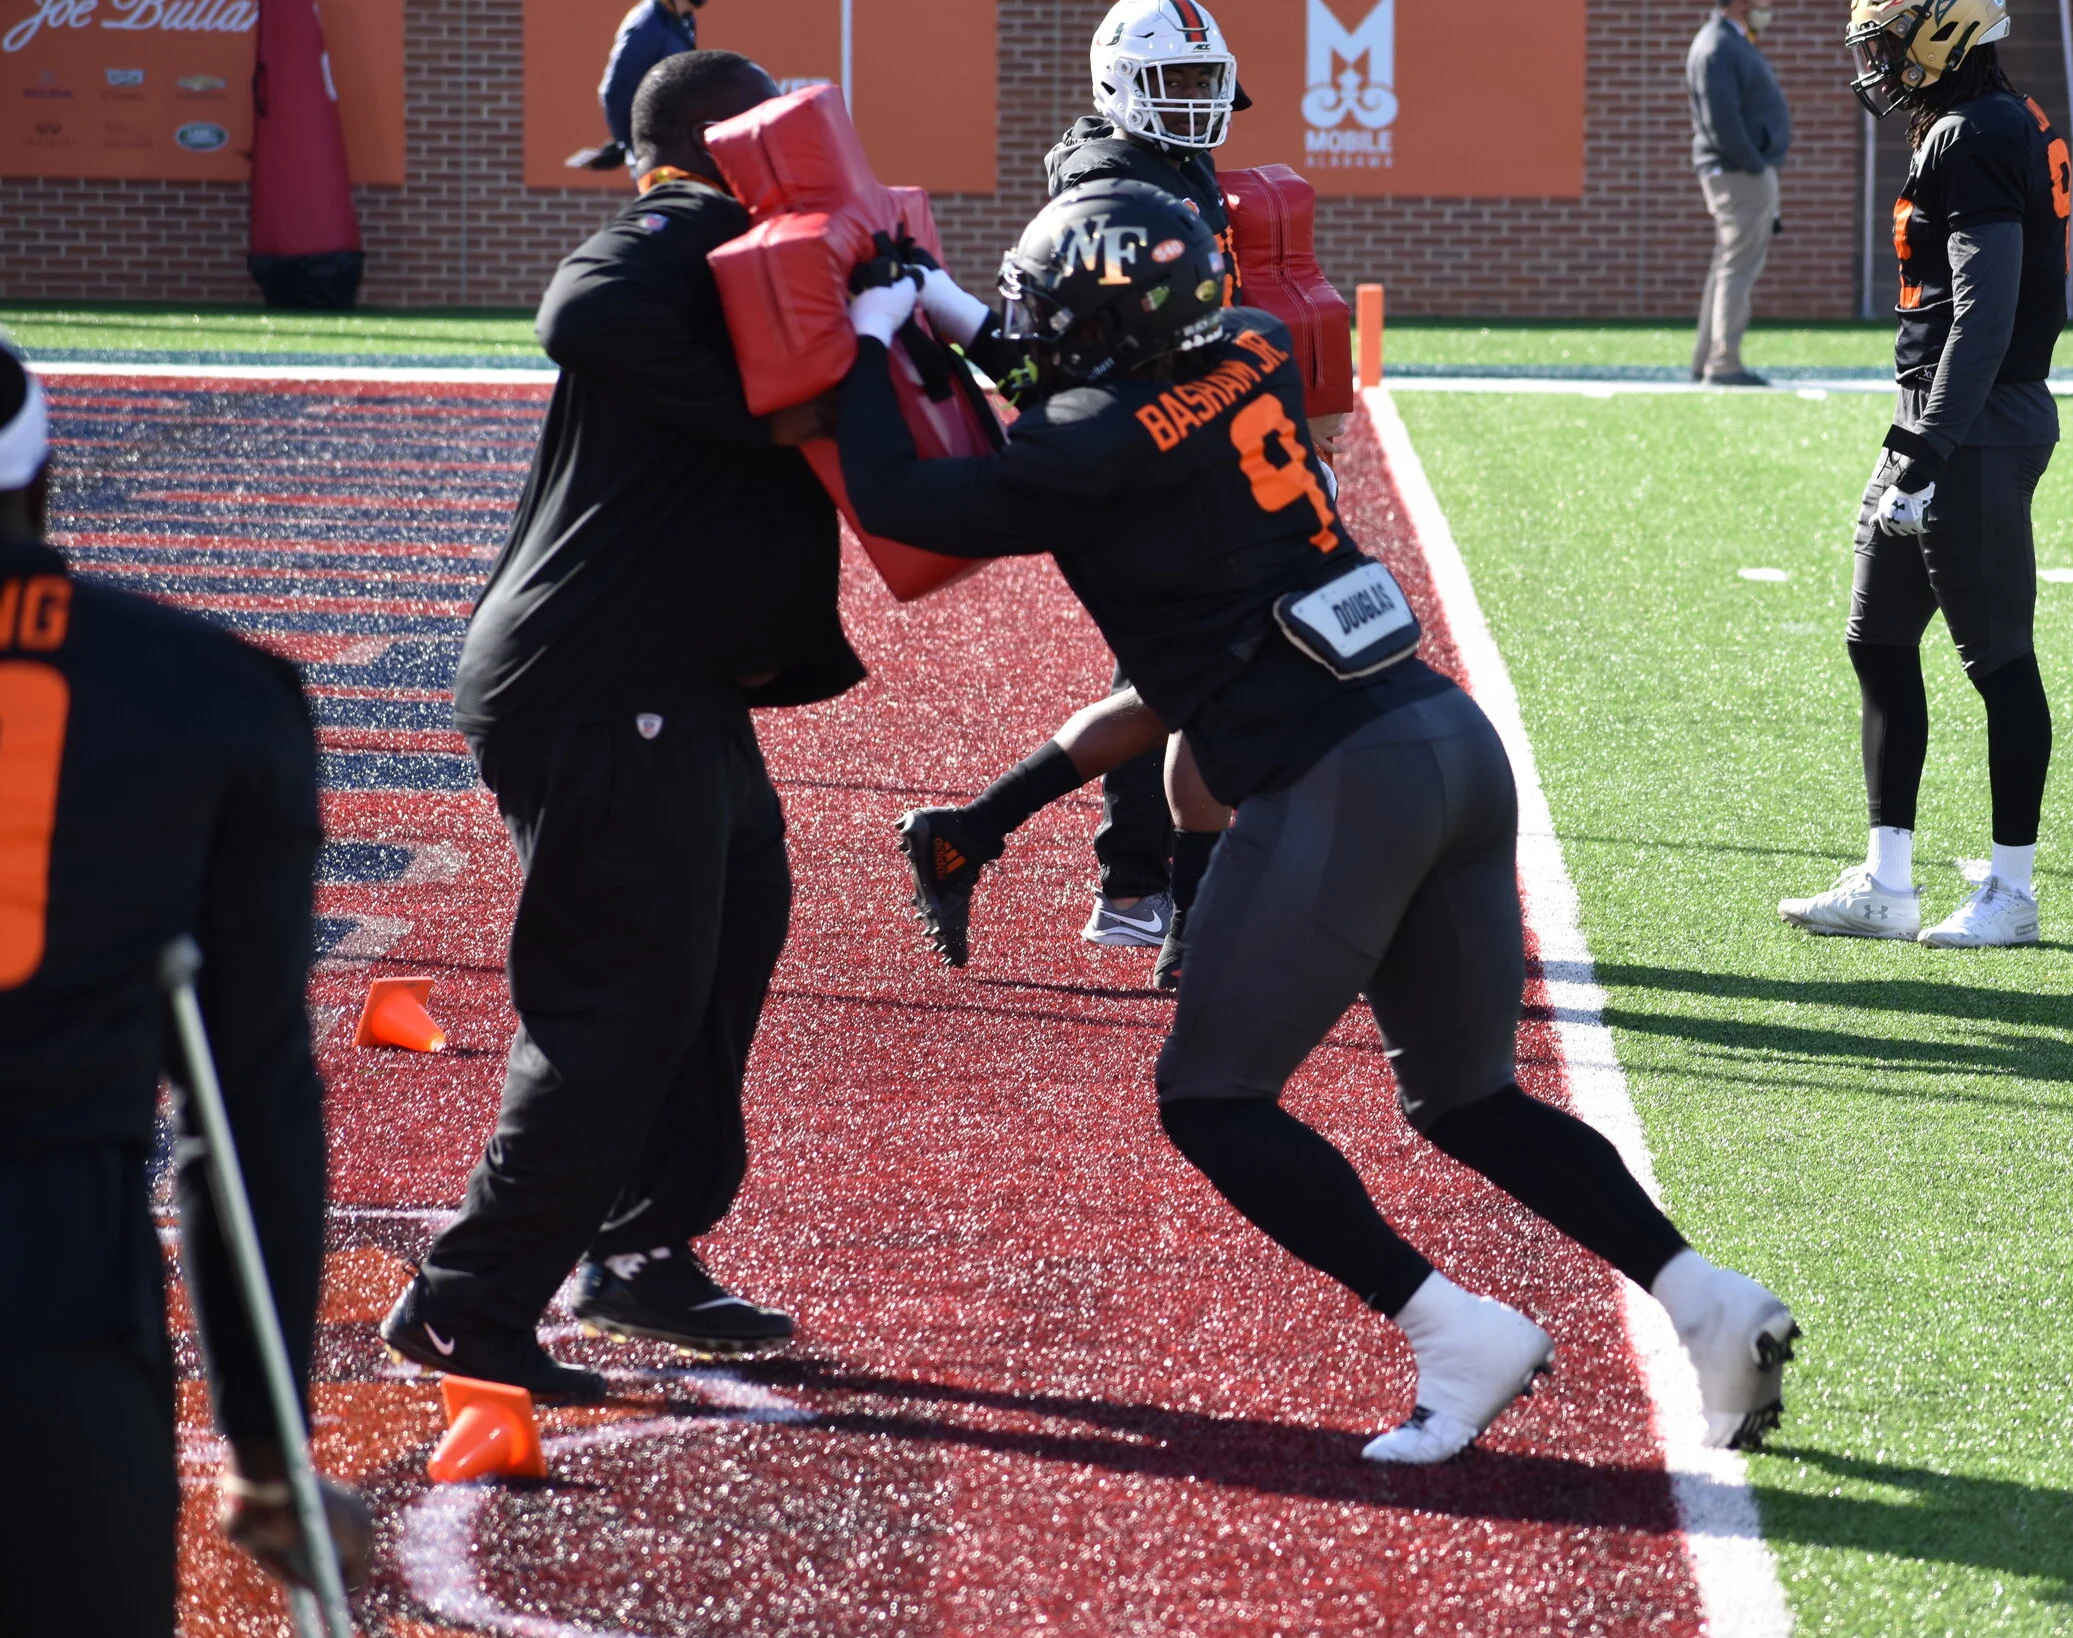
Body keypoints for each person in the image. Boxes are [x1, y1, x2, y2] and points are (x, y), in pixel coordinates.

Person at [836, 181, 1801, 1464]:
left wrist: (865, 334)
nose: (1039, 327)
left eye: (1057, 307)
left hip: (1340, 778)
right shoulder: (1245, 344)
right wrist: (946, 307)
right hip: (1443, 738)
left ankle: (1454, 1331)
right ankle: (1707, 1301)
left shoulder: (1091, 440)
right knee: (1467, 1097)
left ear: (1105, 323)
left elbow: (906, 498)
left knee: (1211, 1097)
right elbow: (1093, 393)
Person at [380, 51, 868, 1402]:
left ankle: (640, 1244)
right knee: (620, 998)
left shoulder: (743, 253)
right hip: (600, 681)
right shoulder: (682, 224)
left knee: (733, 930)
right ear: (728, 141)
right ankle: (468, 1301)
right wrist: (756, 410)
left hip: (671, 682)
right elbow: (581, 305)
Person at [0, 344, 371, 1638]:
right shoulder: (205, 692)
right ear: (41, 481)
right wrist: (266, 1449)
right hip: (49, 1287)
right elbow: (247, 1100)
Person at [894, 0, 1302, 987]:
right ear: (1120, 83)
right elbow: (1052, 357)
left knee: (1178, 682)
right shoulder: (1110, 186)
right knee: (1200, 674)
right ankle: (1150, 895)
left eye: (1204, 81)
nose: (1194, 103)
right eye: (1174, 82)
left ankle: (996, 842)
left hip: (1163, 436)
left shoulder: (1169, 163)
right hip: (1128, 447)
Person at [1780, 0, 2069, 948]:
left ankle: (2012, 892)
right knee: (1877, 638)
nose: (1876, 56)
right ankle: (1887, 881)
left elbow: (1984, 314)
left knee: (1999, 660)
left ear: (1943, 31)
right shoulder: (1975, 120)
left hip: (1973, 421)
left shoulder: (1977, 130)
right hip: (1936, 416)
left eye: (1889, 37)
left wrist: (1931, 449)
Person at [1686, 0, 1792, 386]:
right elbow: (1722, 120)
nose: (1766, 6)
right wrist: (1755, 164)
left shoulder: (1728, 40)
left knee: (1728, 265)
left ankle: (1707, 359)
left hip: (1741, 172)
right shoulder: (1717, 45)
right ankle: (1724, 363)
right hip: (1740, 173)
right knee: (1738, 268)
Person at [570, 0, 703, 172]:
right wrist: (630, 141)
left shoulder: (684, 20)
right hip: (656, 152)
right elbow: (615, 92)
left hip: (677, 143)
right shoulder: (647, 25)